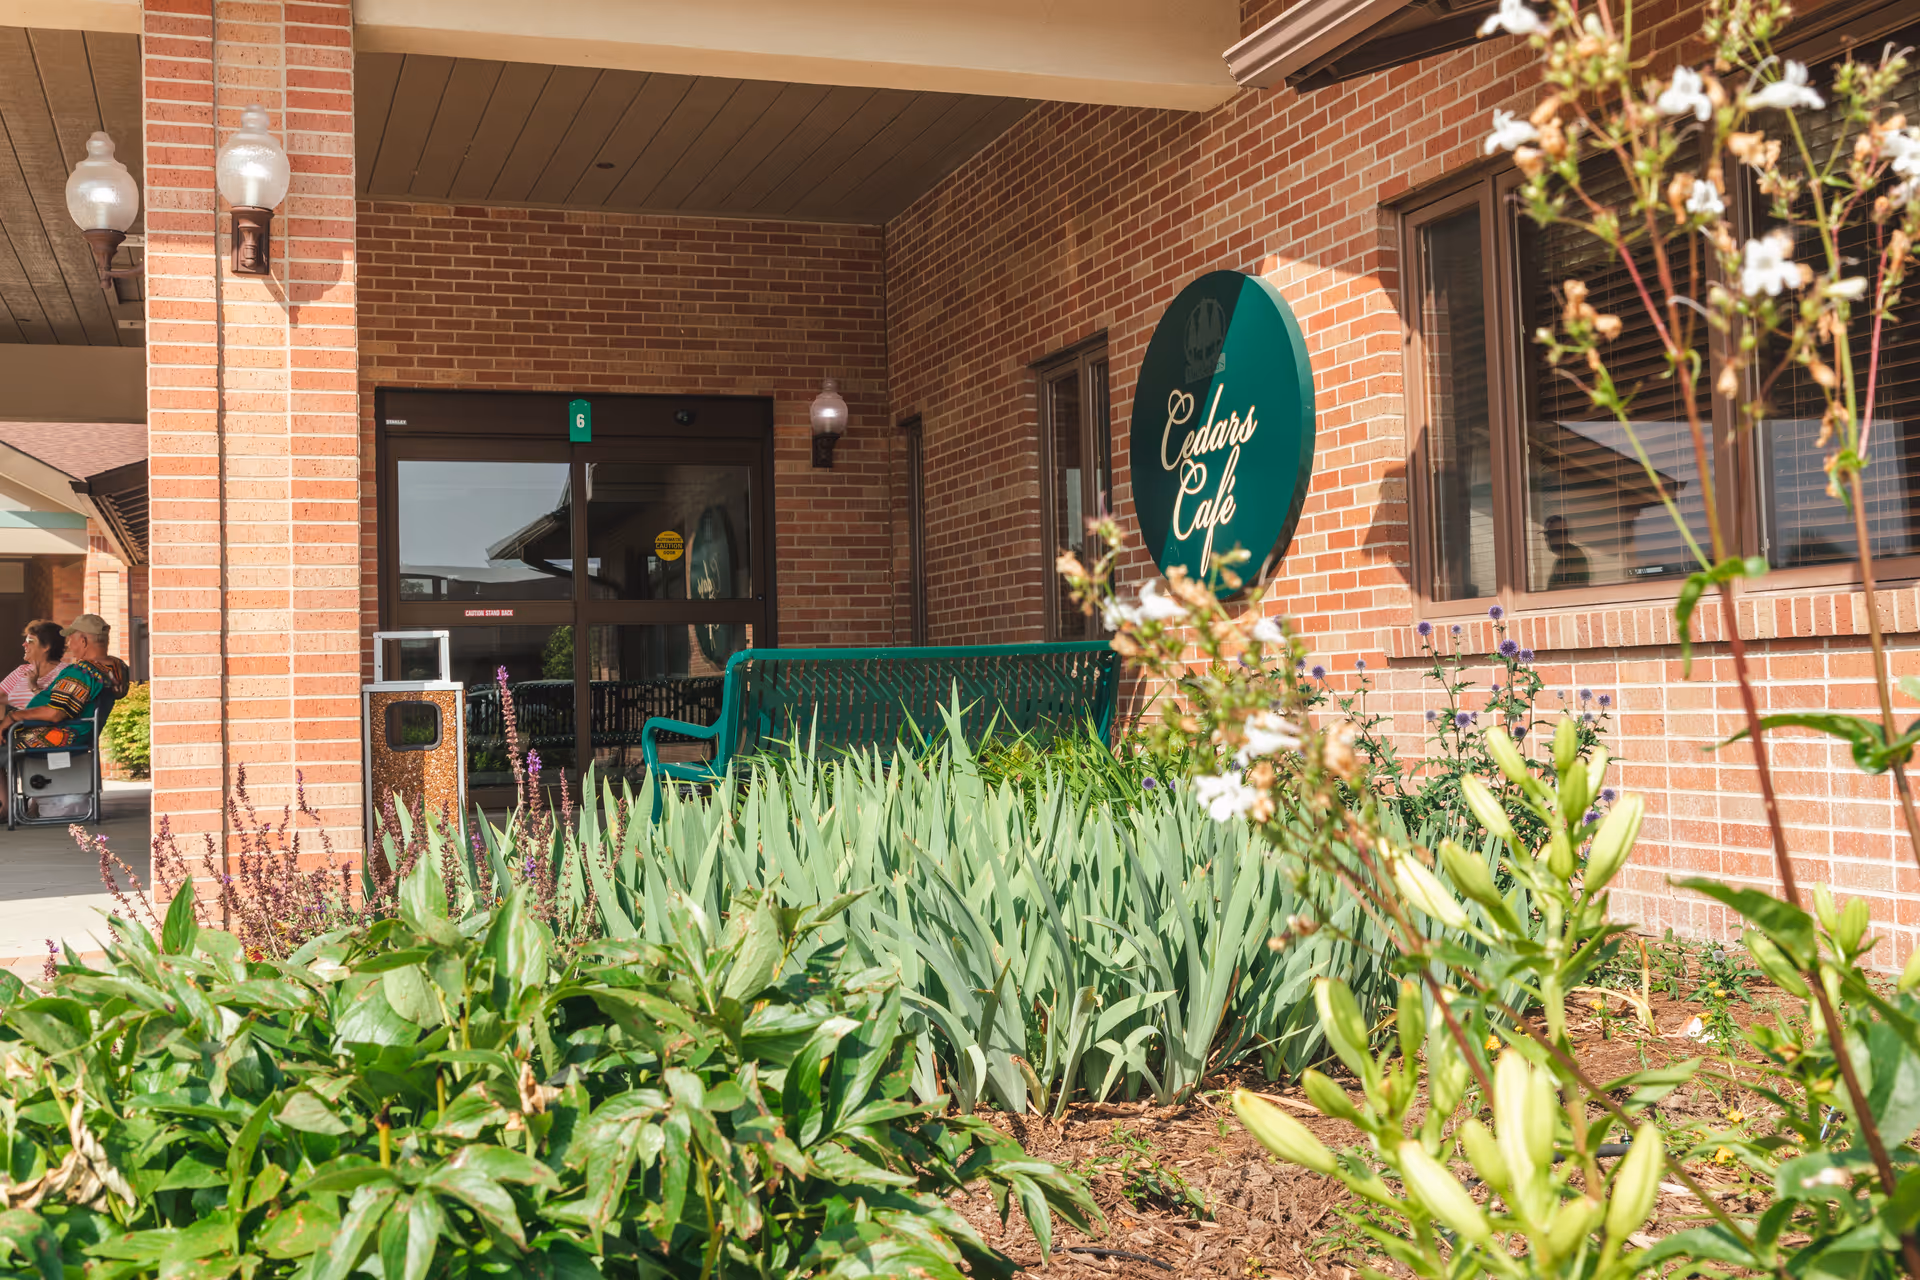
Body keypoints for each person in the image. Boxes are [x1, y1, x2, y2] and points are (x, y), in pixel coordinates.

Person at [0, 614, 130, 751]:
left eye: (71, 639)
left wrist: (13, 717)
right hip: (79, 737)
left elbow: (55, 713)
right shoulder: (117, 668)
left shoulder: (81, 672)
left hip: (53, 738)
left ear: (83, 641)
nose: (69, 645)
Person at [0, 620, 67, 709]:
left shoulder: (66, 673)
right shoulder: (22, 670)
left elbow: (57, 708)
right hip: (13, 716)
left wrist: (33, 686)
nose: (24, 644)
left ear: (46, 646)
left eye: (30, 641)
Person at [1544, 515, 1591, 590]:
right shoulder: (1561, 560)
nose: (1547, 539)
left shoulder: (1574, 556)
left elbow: (1576, 589)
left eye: (1551, 534)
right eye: (1547, 535)